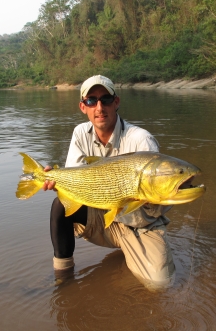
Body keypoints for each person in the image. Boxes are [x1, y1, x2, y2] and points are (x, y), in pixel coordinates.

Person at [43, 75, 175, 288]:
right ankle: (63, 278)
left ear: (116, 102)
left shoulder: (141, 139)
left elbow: (160, 201)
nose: (99, 107)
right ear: (82, 107)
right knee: (60, 205)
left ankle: (135, 250)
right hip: (104, 218)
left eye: (105, 99)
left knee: (159, 286)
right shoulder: (80, 133)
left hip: (140, 224)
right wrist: (56, 180)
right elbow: (76, 180)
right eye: (91, 101)